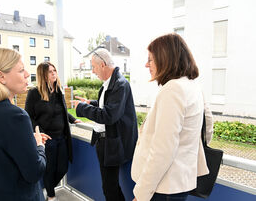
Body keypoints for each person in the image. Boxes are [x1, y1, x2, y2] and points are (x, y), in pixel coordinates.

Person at [131, 33, 212, 201]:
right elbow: (207, 128)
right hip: (178, 183)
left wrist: (141, 195)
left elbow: (163, 150)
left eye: (151, 60)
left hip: (162, 187)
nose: (147, 65)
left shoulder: (173, 89)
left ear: (165, 59)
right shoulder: (193, 86)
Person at [0, 47, 50, 201]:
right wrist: (39, 146)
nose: (27, 74)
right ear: (1, 77)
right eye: (21, 70)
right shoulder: (14, 116)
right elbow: (35, 172)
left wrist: (25, 139)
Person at [72, 48, 138, 201]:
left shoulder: (120, 84)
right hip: (105, 142)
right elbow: (108, 105)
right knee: (109, 187)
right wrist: (91, 103)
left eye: (93, 67)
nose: (93, 71)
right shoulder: (110, 83)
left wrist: (81, 108)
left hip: (111, 144)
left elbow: (109, 115)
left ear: (102, 64)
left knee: (109, 188)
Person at [25, 61, 81, 201]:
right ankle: (51, 196)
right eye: (50, 71)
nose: (54, 73)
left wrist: (73, 119)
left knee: (63, 168)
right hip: (46, 139)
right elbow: (29, 117)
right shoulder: (34, 93)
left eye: (54, 70)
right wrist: (39, 132)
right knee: (49, 170)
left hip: (61, 138)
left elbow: (63, 111)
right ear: (43, 75)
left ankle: (46, 189)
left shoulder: (58, 91)